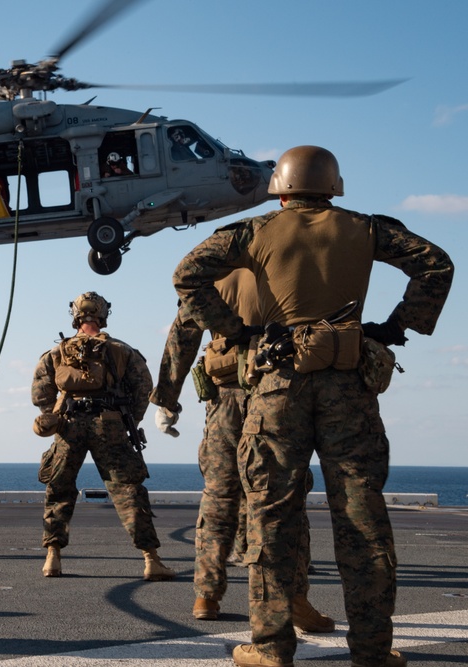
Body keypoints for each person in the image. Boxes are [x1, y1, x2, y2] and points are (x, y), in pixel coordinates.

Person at [171, 146, 454, 667]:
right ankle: (371, 649)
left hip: (277, 387)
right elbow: (436, 264)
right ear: (332, 185)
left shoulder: (252, 232)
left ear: (280, 188)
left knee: (270, 515)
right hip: (349, 382)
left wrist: (237, 331)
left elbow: (187, 274)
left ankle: (272, 647)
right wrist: (396, 326)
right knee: (362, 517)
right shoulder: (367, 228)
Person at [150, 269, 334, 632]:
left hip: (225, 401)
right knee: (283, 498)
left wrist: (167, 399)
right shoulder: (293, 264)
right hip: (279, 395)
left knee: (218, 497)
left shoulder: (218, 275)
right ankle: (294, 598)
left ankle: (206, 595)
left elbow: (183, 334)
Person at [31, 292, 175, 581]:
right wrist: (127, 420)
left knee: (59, 490)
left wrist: (56, 417)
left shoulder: (56, 353)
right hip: (109, 424)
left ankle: (53, 557)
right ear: (102, 314)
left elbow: (40, 395)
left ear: (75, 315)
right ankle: (151, 560)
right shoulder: (121, 350)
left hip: (68, 425)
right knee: (128, 491)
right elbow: (143, 388)